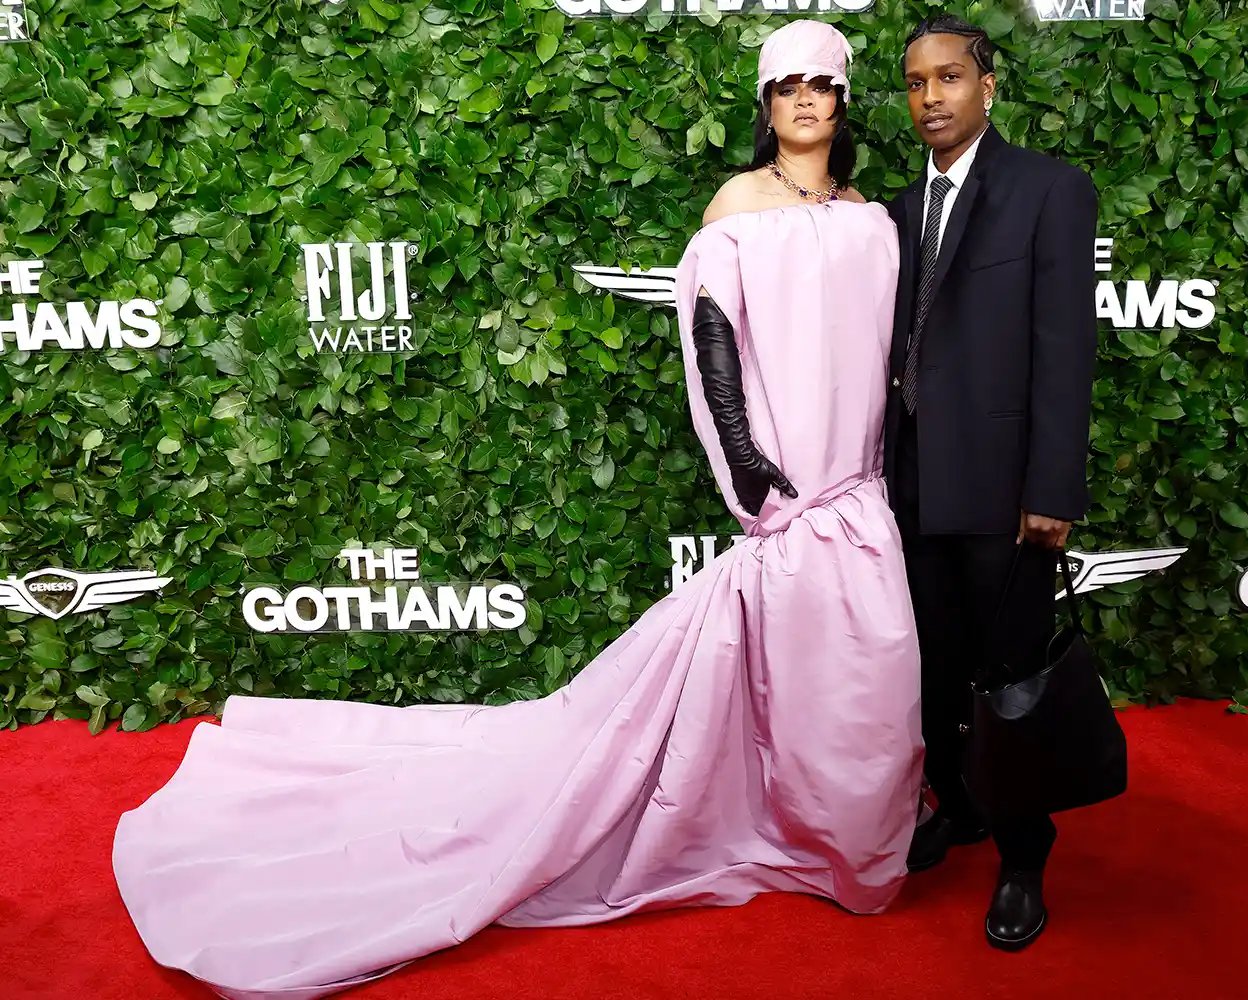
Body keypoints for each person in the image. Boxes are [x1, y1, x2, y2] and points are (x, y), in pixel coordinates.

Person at [110, 20, 922, 999]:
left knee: (864, 688)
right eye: (785, 84)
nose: (804, 100)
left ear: (843, 99)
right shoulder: (735, 206)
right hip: (790, 508)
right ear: (765, 103)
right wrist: (746, 463)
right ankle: (797, 827)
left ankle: (850, 844)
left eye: (821, 84)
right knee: (798, 683)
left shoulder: (874, 214)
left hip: (862, 501)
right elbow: (713, 340)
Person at [883, 15, 1100, 950]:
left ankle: (1022, 852)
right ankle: (963, 807)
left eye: (950, 78)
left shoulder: (1049, 190)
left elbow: (1065, 350)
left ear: (988, 85)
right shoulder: (895, 208)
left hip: (1009, 492)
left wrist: (1051, 489)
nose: (932, 97)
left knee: (1009, 677)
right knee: (931, 670)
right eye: (917, 83)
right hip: (912, 484)